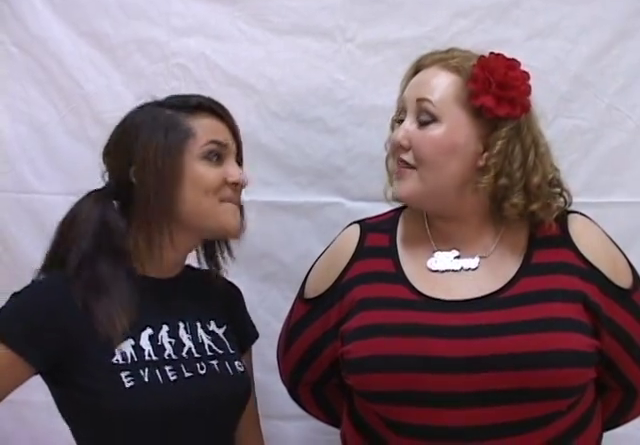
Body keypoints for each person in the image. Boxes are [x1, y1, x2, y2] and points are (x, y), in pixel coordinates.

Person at [277, 48, 640, 443]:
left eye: (424, 119)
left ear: (489, 146)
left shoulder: (574, 246)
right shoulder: (358, 253)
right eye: (399, 119)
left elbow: (630, 382)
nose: (398, 137)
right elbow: (308, 381)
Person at [0, 94, 265, 445]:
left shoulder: (222, 299)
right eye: (214, 157)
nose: (239, 177)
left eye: (237, 161)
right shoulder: (59, 303)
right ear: (147, 173)